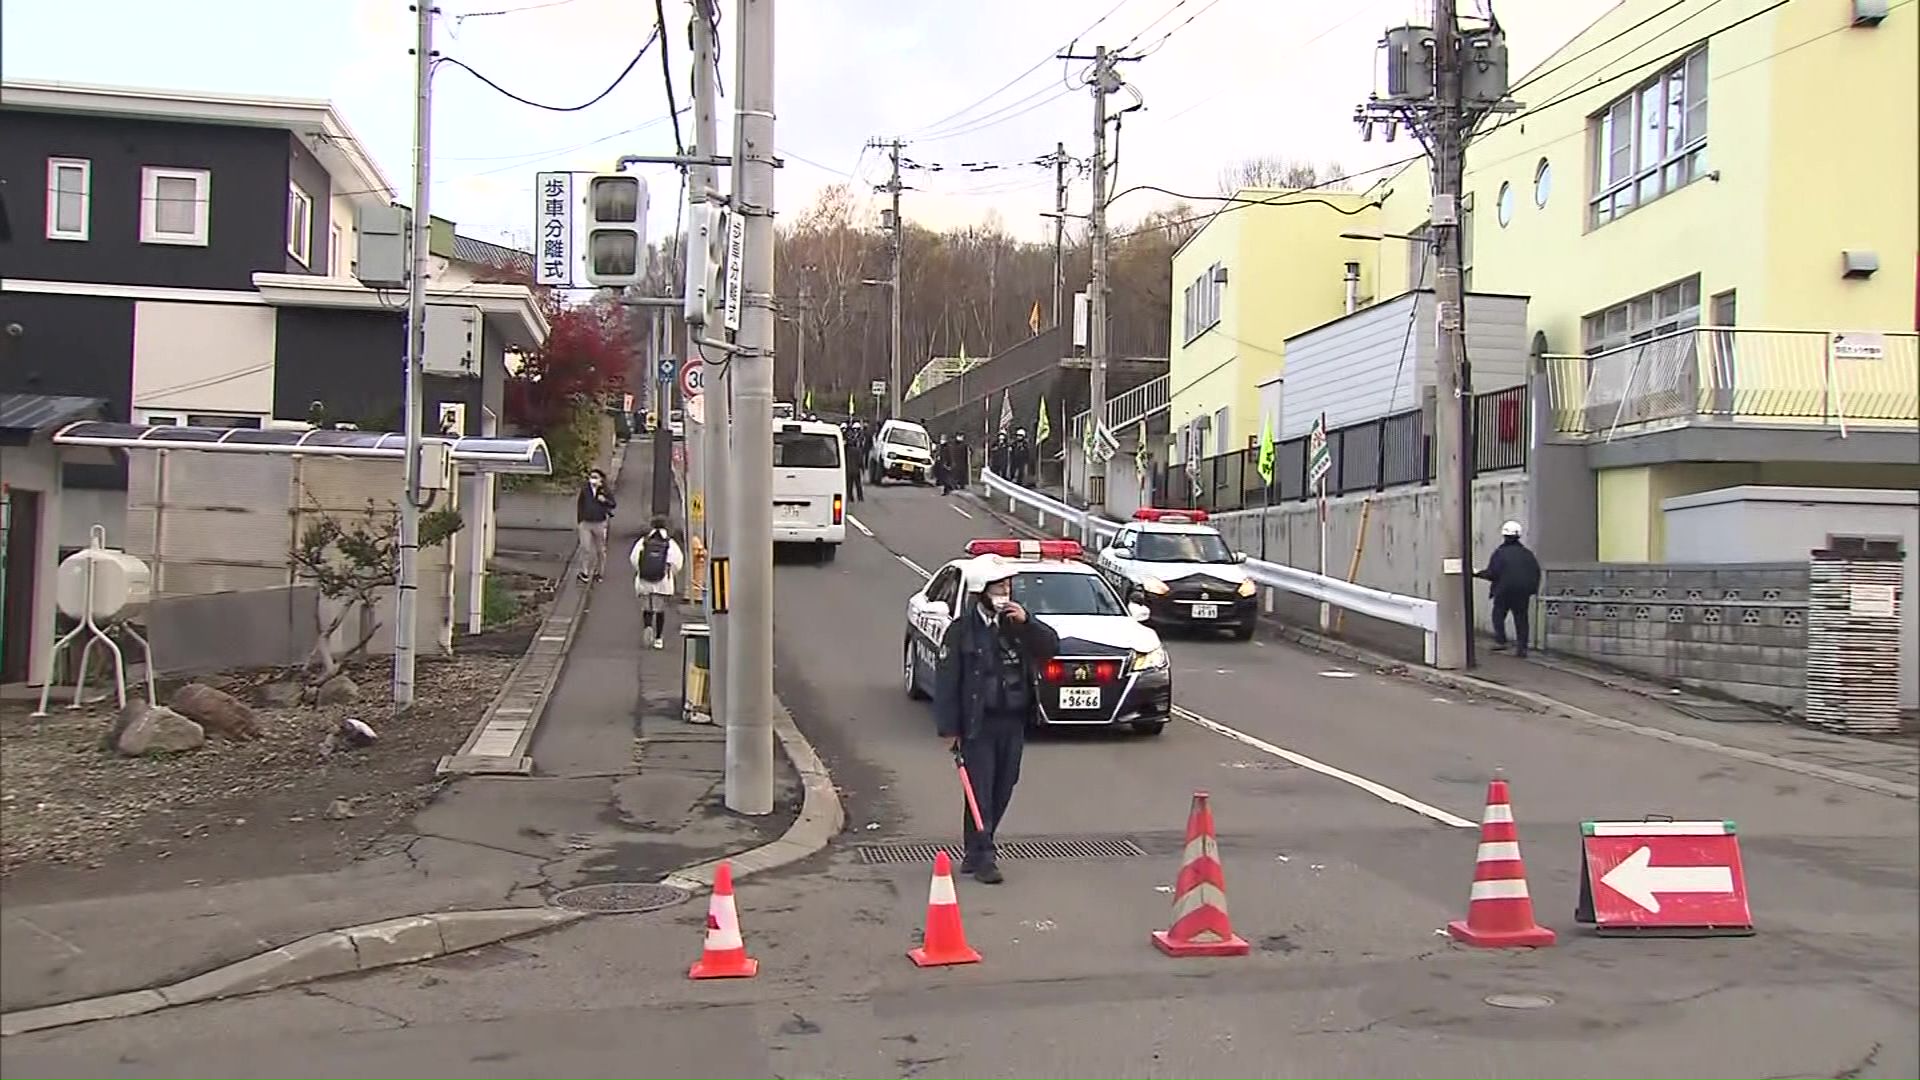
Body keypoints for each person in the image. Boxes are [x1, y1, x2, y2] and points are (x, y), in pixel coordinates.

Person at [932, 556, 1060, 884]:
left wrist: (1027, 621)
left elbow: (1050, 647)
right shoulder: (962, 631)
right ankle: (986, 855)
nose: (1005, 593)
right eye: (999, 587)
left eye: (1007, 586)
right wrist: (949, 728)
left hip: (1013, 722)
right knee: (980, 789)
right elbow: (947, 679)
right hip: (979, 723)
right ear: (981, 591)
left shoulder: (1015, 626)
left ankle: (974, 851)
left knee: (1004, 786)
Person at [1476, 520, 1542, 657]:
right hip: (1522, 591)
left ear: (1504, 535)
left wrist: (1477, 573)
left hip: (1504, 590)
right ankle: (1522, 648)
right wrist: (1532, 589)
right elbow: (1536, 572)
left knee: (1498, 614)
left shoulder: (1500, 553)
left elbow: (1492, 573)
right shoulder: (1527, 554)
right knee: (1521, 618)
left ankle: (1501, 641)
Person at [630, 515, 684, 649]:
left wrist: (641, 569)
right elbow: (678, 562)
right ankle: (659, 638)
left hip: (645, 580)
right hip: (663, 581)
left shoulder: (644, 541)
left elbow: (634, 558)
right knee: (660, 609)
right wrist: (670, 572)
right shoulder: (670, 543)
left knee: (647, 607)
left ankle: (648, 627)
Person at [574, 468, 616, 582]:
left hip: (600, 523)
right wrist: (580, 520)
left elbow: (613, 504)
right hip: (586, 523)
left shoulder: (605, 491)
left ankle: (600, 572)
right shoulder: (585, 490)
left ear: (601, 479)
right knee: (585, 548)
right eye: (591, 477)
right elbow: (580, 504)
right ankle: (584, 572)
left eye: (595, 477)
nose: (592, 480)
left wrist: (604, 501)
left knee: (600, 549)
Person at [845, 421, 866, 502]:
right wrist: (862, 469)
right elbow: (860, 461)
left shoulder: (846, 451)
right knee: (858, 485)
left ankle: (850, 497)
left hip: (849, 470)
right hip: (856, 470)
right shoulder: (857, 450)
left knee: (850, 485)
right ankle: (860, 497)